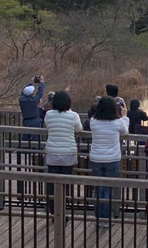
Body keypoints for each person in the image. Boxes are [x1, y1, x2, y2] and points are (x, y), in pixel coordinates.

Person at [87, 96, 129, 225]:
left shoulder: (93, 121)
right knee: (107, 188)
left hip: (96, 157)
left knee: (98, 188)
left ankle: (98, 218)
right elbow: (125, 132)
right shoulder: (117, 122)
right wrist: (125, 116)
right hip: (112, 158)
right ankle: (106, 219)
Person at [43, 90, 82, 215]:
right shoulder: (73, 115)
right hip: (68, 152)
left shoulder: (49, 114)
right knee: (65, 183)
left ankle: (53, 211)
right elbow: (79, 129)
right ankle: (63, 211)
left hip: (52, 152)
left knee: (52, 183)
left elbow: (47, 126)